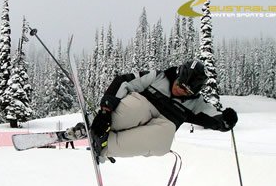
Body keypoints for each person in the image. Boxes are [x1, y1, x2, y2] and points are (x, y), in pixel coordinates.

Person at [83, 60, 238, 161]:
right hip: (136, 108)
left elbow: (215, 118)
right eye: (180, 84)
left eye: (186, 91)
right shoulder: (159, 77)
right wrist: (105, 111)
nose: (180, 90)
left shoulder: (196, 104)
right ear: (178, 75)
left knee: (165, 137)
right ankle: (96, 126)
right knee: (140, 106)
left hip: (163, 123)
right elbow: (123, 81)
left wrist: (226, 121)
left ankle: (105, 146)